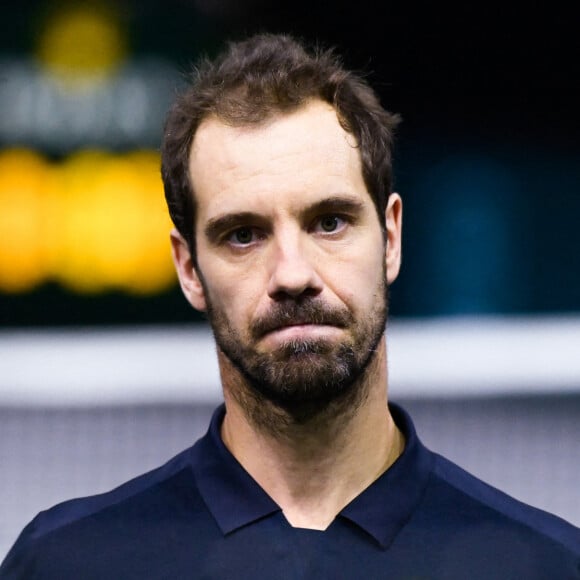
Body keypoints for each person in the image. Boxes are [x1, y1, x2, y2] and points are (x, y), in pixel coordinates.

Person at [1, 33, 579, 579]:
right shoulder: (66, 565)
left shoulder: (548, 566)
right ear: (188, 269)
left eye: (330, 223)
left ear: (392, 238)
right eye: (243, 235)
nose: (293, 275)